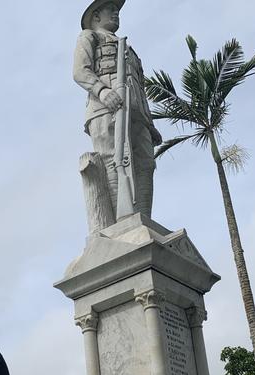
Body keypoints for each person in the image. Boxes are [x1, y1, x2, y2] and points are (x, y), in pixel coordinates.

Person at [73, 0, 162, 218]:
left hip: (136, 112)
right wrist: (102, 91)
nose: (115, 12)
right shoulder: (89, 36)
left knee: (146, 164)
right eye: (110, 8)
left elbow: (139, 86)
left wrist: (149, 123)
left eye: (117, 9)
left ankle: (142, 220)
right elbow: (80, 71)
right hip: (104, 109)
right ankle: (121, 221)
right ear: (95, 15)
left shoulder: (127, 46)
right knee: (112, 161)